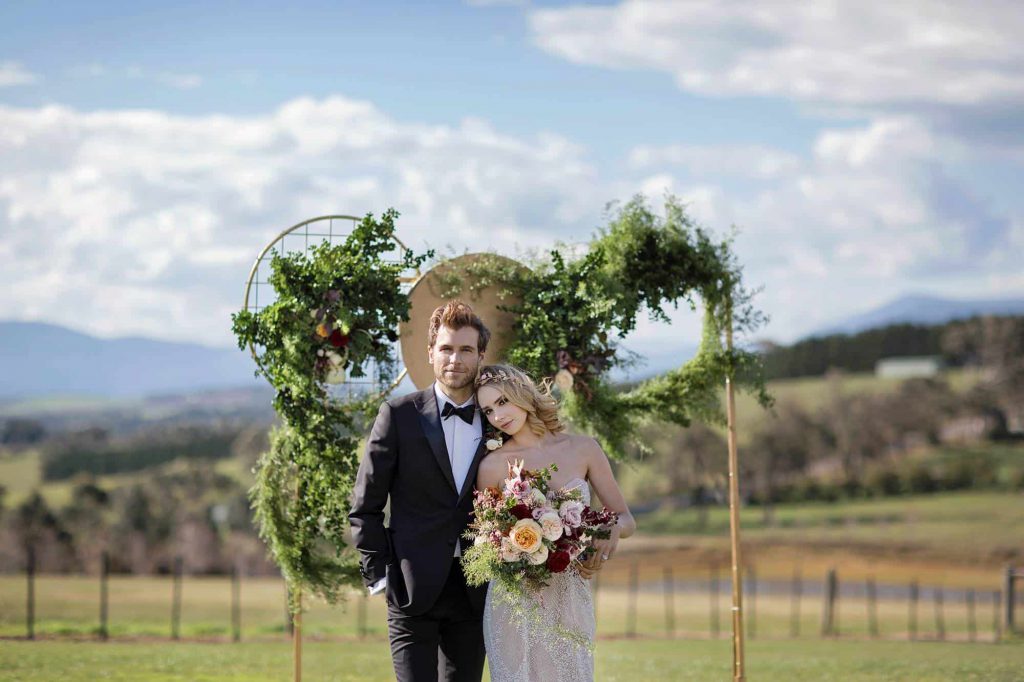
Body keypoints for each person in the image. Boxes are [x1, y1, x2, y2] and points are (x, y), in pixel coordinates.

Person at [349, 300, 492, 682]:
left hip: (476, 589)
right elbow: (365, 506)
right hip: (411, 589)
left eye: (465, 350)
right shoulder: (398, 416)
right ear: (430, 353)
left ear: (481, 355)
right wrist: (378, 575)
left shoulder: (499, 421)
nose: (454, 359)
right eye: (446, 348)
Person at [474, 364, 636, 682]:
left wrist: (609, 531)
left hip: (569, 596)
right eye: (488, 410)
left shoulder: (583, 449)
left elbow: (626, 518)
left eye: (502, 401)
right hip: (514, 601)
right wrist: (509, 546)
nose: (497, 416)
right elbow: (483, 541)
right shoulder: (492, 466)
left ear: (522, 393)